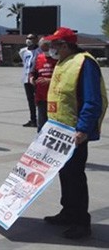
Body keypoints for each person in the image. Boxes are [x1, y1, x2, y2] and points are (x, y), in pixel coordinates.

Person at [42, 27, 107, 239]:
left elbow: (92, 100)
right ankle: (68, 212)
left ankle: (81, 222)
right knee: (64, 173)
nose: (52, 49)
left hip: (75, 132)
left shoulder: (85, 63)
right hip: (59, 131)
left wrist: (83, 129)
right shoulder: (64, 62)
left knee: (75, 176)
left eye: (55, 45)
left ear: (66, 45)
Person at [30, 38, 57, 131]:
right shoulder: (39, 57)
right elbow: (33, 71)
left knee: (53, 121)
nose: (45, 51)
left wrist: (50, 80)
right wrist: (32, 78)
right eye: (43, 49)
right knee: (41, 121)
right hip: (41, 95)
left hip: (55, 96)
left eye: (47, 48)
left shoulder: (58, 59)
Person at [19, 33, 40, 127]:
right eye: (27, 38)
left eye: (31, 38)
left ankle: (41, 119)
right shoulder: (23, 51)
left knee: (39, 100)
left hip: (36, 78)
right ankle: (33, 119)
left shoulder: (39, 51)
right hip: (26, 78)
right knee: (30, 100)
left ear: (36, 39)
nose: (28, 40)